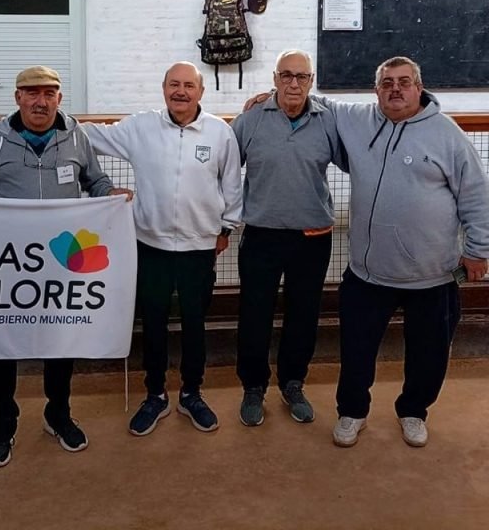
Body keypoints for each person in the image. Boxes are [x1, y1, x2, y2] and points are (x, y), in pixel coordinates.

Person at [247, 56, 489, 446]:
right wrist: (273, 96)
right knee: (356, 351)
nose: (396, 89)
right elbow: (314, 98)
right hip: (368, 273)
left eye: (404, 82)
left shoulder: (448, 135)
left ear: (419, 87)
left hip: (432, 275)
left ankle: (413, 411)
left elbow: (476, 196)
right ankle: (352, 412)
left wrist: (478, 250)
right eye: (387, 83)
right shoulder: (357, 119)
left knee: (429, 354)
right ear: (376, 90)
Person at [0, 65, 131, 468]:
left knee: (62, 339)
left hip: (61, 260)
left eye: (49, 93)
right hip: (12, 264)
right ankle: (3, 422)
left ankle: (58, 414)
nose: (40, 101)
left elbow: (95, 181)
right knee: (2, 341)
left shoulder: (76, 136)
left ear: (59, 99)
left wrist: (112, 195)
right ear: (17, 98)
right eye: (32, 93)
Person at [83, 61, 243, 436]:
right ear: (164, 88)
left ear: (201, 92)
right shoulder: (141, 127)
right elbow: (92, 135)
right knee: (153, 323)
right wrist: (49, 119)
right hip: (150, 245)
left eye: (188, 85)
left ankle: (191, 394)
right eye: (174, 84)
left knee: (194, 324)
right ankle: (155, 394)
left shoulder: (220, 133)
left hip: (199, 248)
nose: (180, 91)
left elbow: (233, 186)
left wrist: (226, 229)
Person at [231, 50, 343, 427]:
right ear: (275, 78)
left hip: (312, 238)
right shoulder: (250, 120)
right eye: (287, 75)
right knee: (254, 315)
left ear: (311, 81)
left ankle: (293, 383)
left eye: (302, 77)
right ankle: (253, 387)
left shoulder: (328, 121)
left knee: (304, 315)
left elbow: (355, 157)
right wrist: (221, 222)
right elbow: (223, 170)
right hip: (261, 237)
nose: (294, 83)